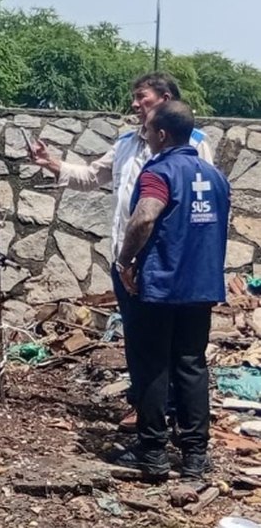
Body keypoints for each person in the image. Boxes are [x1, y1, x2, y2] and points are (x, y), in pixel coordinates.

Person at [29, 72, 215, 431]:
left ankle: (167, 422)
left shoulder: (196, 145)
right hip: (127, 262)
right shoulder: (128, 144)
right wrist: (51, 163)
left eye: (141, 96)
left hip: (167, 264)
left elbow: (197, 203)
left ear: (164, 98)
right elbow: (90, 177)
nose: (134, 104)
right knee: (141, 341)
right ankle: (149, 411)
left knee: (179, 350)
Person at [112, 100, 229, 479]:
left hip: (161, 286)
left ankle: (153, 453)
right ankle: (195, 456)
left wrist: (125, 261)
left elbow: (145, 216)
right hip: (201, 286)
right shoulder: (215, 176)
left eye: (147, 130)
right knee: (191, 365)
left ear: (162, 134)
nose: (143, 135)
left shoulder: (158, 172)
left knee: (152, 366)